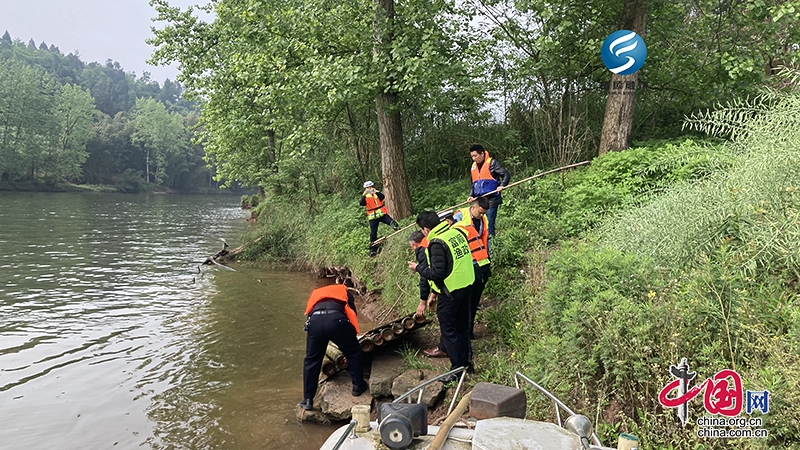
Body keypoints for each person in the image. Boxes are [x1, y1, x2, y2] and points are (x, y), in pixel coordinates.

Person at [407, 211, 474, 383]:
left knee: (449, 330)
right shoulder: (455, 232)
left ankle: (456, 370)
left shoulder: (436, 243)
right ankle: (467, 363)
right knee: (463, 327)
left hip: (450, 292)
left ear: (426, 229)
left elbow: (437, 273)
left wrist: (418, 268)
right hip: (466, 286)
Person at [299, 284, 369, 411]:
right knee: (353, 352)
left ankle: (308, 399)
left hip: (315, 322)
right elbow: (352, 313)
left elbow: (309, 314)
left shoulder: (315, 294)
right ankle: (358, 386)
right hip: (337, 320)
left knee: (311, 360)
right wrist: (351, 336)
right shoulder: (345, 292)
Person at [453, 197, 491, 341]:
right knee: (465, 301)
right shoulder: (460, 216)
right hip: (465, 264)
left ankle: (468, 331)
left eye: (483, 213)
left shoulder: (483, 219)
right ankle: (462, 330)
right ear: (473, 207)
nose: (481, 215)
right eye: (480, 212)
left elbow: (484, 239)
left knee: (473, 301)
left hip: (480, 263)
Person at [467, 144, 510, 238]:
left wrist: (502, 185)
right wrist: (471, 195)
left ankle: (491, 248)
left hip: (491, 200)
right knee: (478, 226)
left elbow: (505, 174)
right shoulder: (474, 167)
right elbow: (473, 184)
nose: (474, 158)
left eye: (475, 156)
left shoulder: (492, 163)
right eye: (472, 156)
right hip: (479, 201)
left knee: (489, 226)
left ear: (482, 153)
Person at [359, 181, 399, 256]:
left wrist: (376, 191)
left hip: (382, 214)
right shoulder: (365, 196)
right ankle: (372, 250)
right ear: (365, 188)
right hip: (373, 217)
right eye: (368, 188)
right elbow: (361, 203)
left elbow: (382, 197)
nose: (369, 189)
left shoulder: (376, 193)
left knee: (393, 223)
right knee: (373, 233)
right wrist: (364, 195)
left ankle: (400, 232)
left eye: (370, 187)